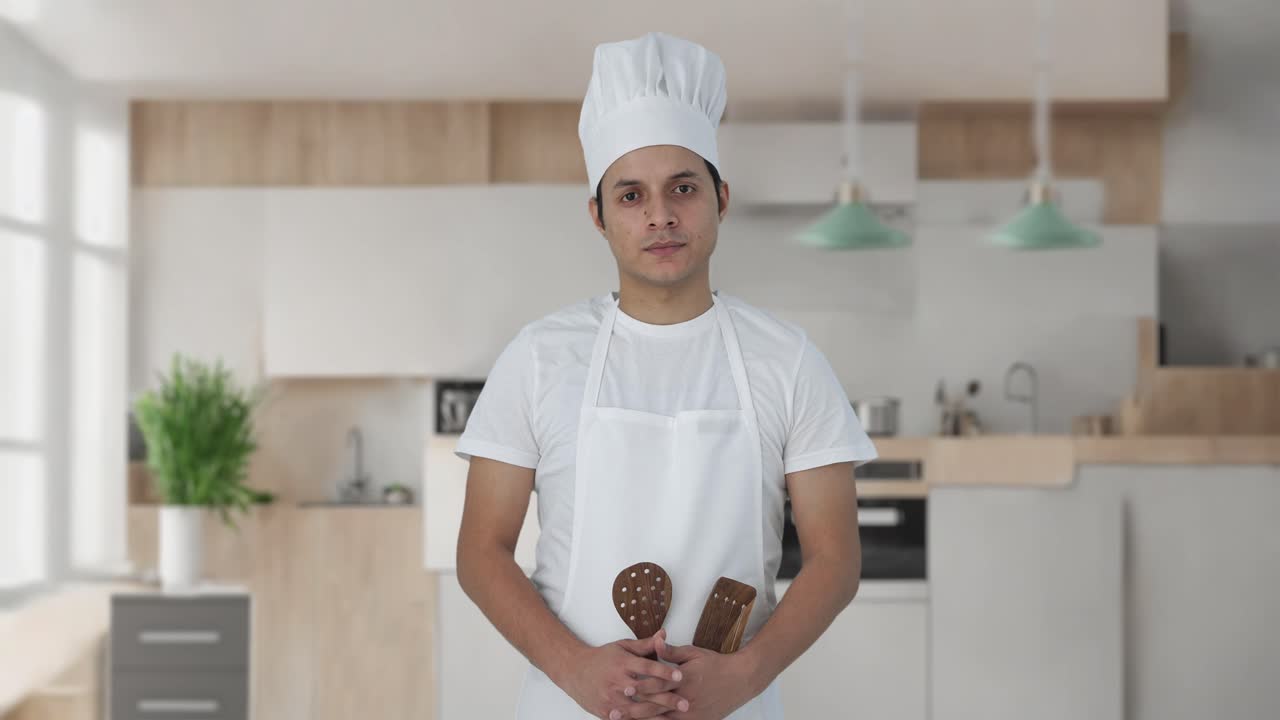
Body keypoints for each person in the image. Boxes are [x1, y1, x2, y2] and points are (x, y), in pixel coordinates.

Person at [454, 31, 878, 720]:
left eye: (683, 187)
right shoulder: (538, 357)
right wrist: (576, 670)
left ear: (720, 198)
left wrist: (743, 677)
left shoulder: (788, 360)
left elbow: (835, 560)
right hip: (570, 706)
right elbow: (481, 549)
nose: (660, 215)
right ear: (597, 215)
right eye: (630, 195)